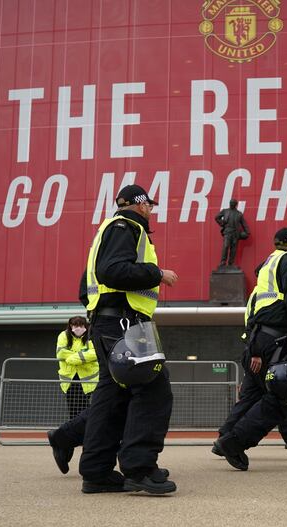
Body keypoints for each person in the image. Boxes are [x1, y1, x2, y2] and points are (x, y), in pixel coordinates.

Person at [75, 183, 179, 494]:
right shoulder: (127, 226)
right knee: (153, 389)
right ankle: (139, 468)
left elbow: (86, 287)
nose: (152, 210)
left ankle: (96, 471)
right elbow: (113, 271)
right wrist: (155, 272)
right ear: (141, 204)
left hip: (106, 320)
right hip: (126, 321)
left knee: (112, 398)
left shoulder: (106, 230)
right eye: (150, 205)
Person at [214, 227, 287, 470]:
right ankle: (234, 441)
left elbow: (256, 314)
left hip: (267, 338)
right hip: (284, 340)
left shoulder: (268, 265)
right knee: (283, 397)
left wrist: (253, 346)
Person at [56, 316, 98, 419]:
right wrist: (83, 355)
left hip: (87, 379)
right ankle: (75, 432)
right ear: (70, 326)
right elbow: (61, 353)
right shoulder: (64, 335)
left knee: (84, 408)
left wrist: (73, 358)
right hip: (69, 380)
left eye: (81, 325)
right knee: (73, 408)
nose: (78, 328)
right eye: (75, 325)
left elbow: (95, 353)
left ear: (85, 326)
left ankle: (85, 430)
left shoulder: (91, 335)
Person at [215, 198, 250, 268]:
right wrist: (222, 223)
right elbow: (216, 217)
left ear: (236, 205)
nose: (231, 204)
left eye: (233, 203)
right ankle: (223, 262)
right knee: (225, 246)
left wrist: (247, 232)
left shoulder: (239, 214)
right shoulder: (225, 211)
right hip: (227, 232)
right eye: (231, 202)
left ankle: (231, 263)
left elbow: (244, 224)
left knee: (233, 248)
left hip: (235, 233)